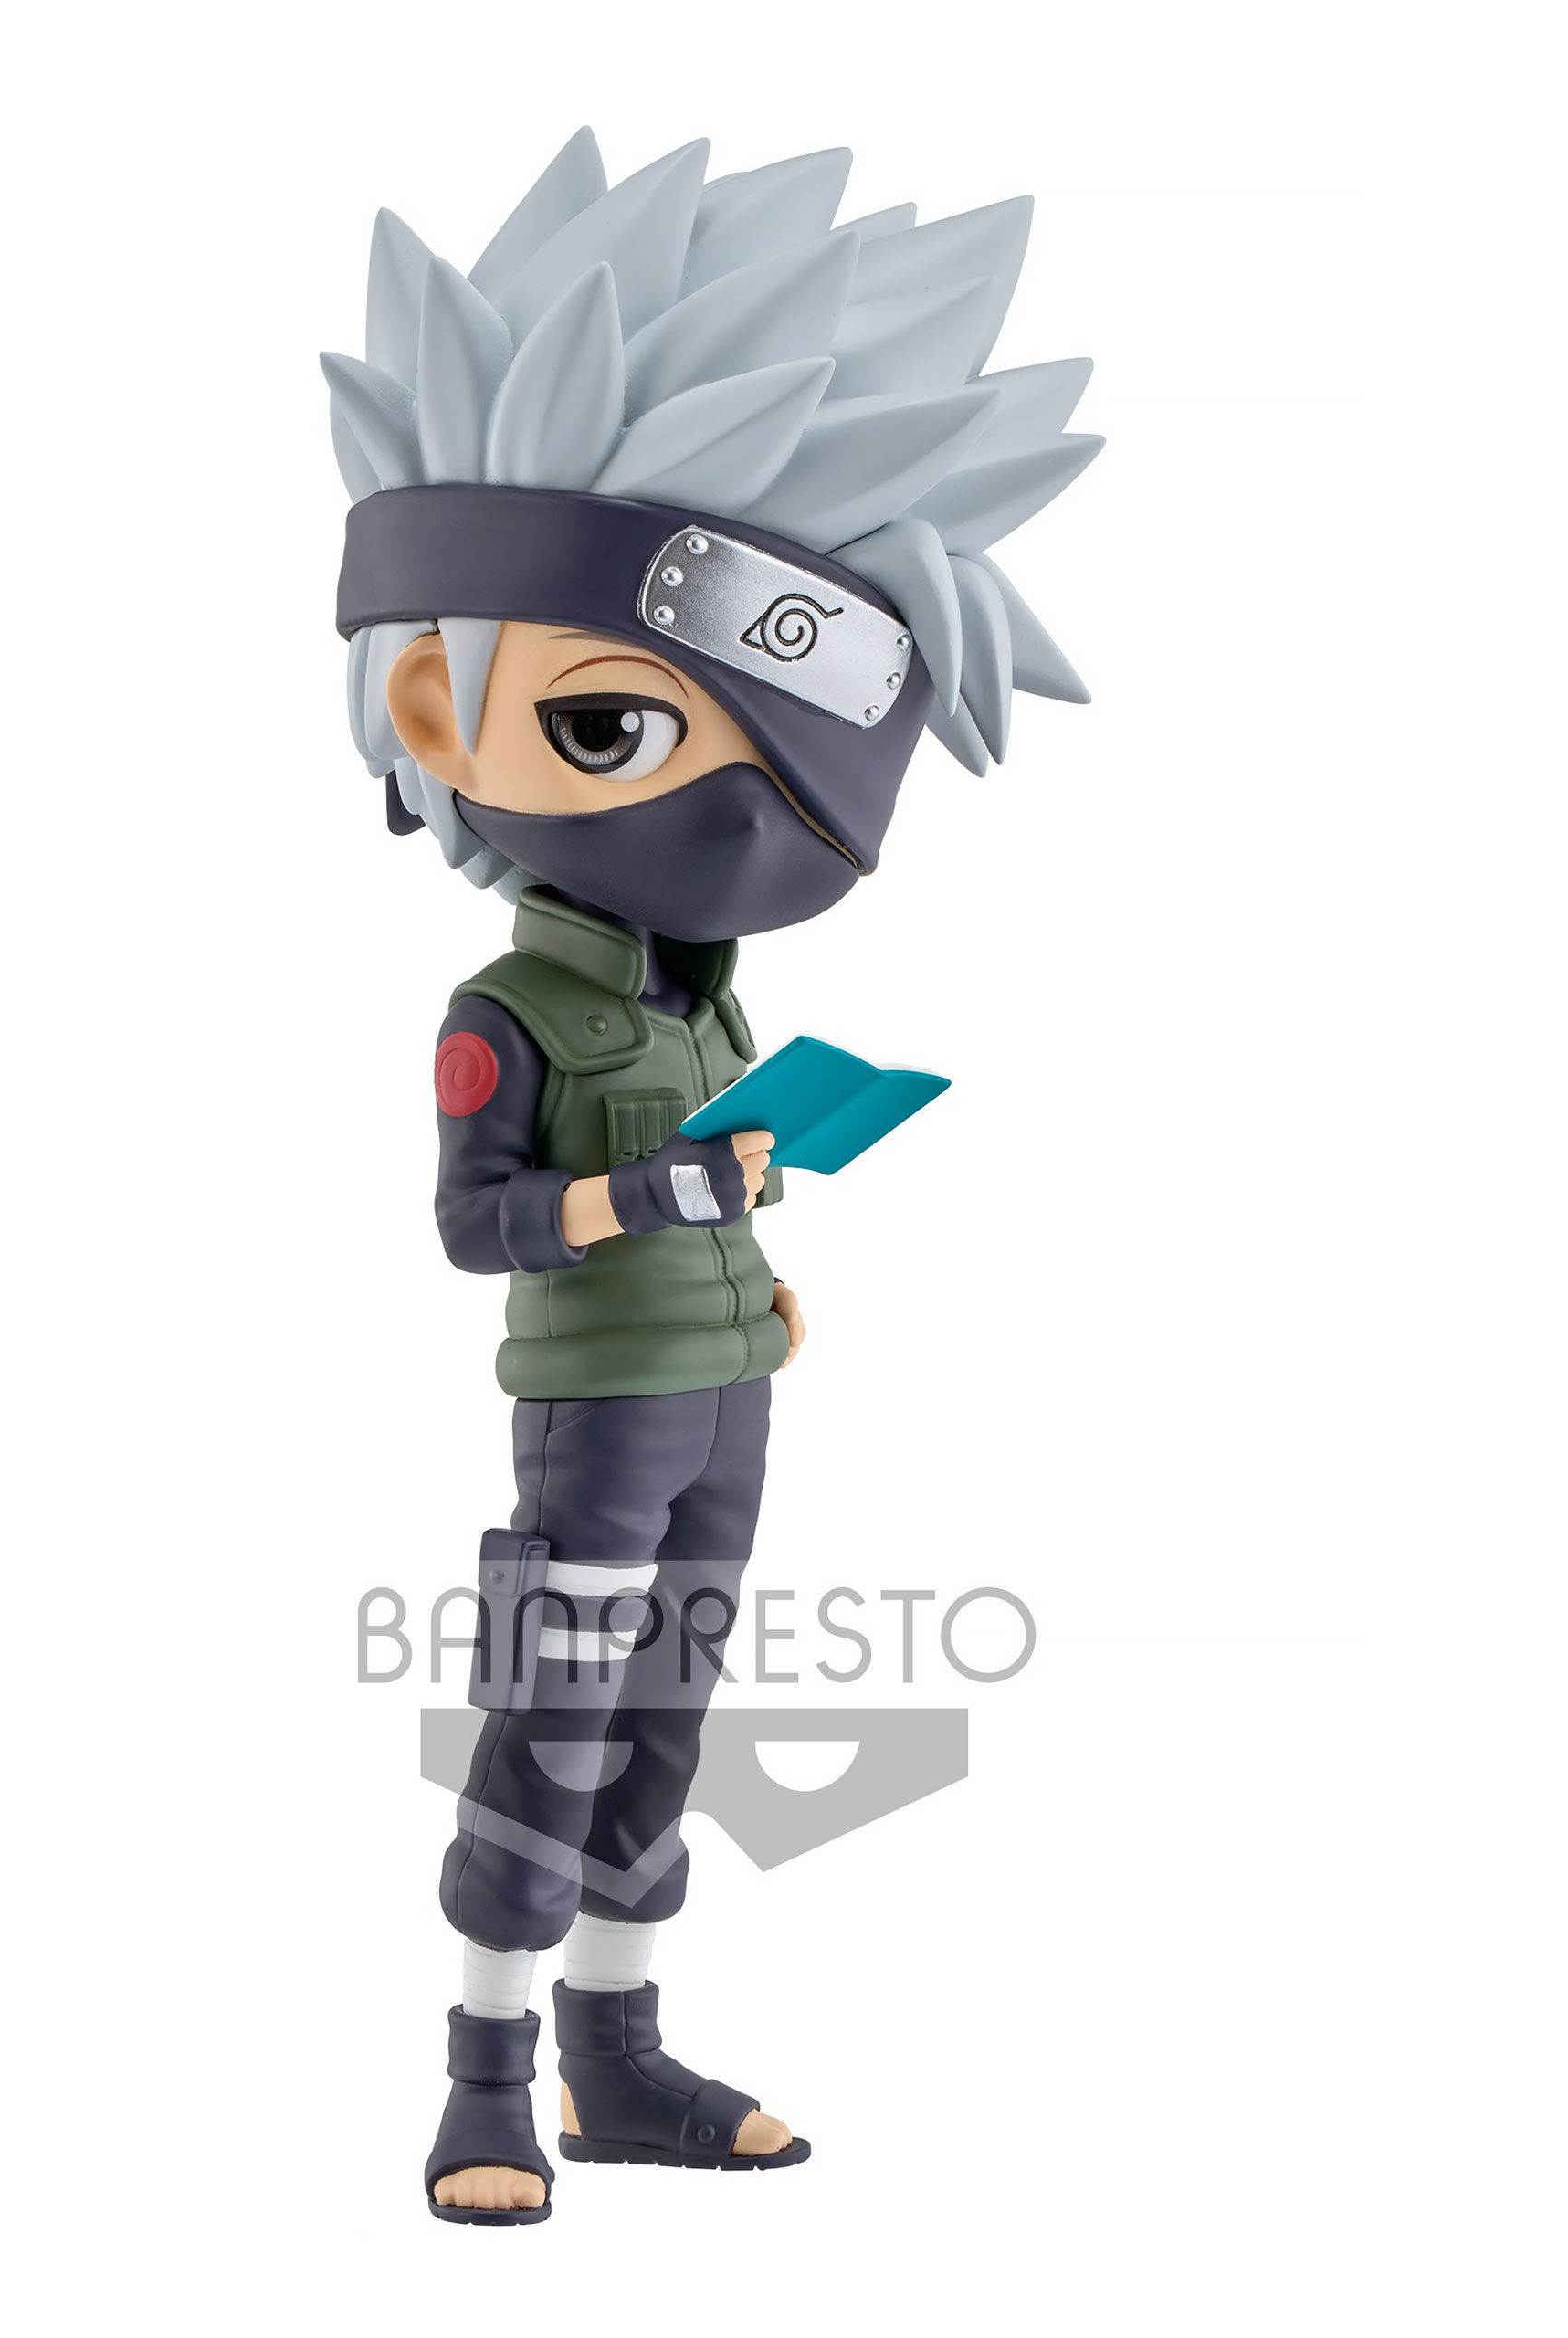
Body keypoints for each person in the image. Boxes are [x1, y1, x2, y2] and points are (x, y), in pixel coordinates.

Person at [322, 129, 1100, 2224]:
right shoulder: (507, 1006)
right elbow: (473, 1223)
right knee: (552, 1725)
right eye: (610, 728)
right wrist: (653, 1210)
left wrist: (748, 1259)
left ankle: (620, 2058)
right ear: (432, 702)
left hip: (722, 1392)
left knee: (664, 1725)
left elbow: (708, 1174)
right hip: (593, 1415)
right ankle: (485, 2076)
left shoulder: (699, 995)